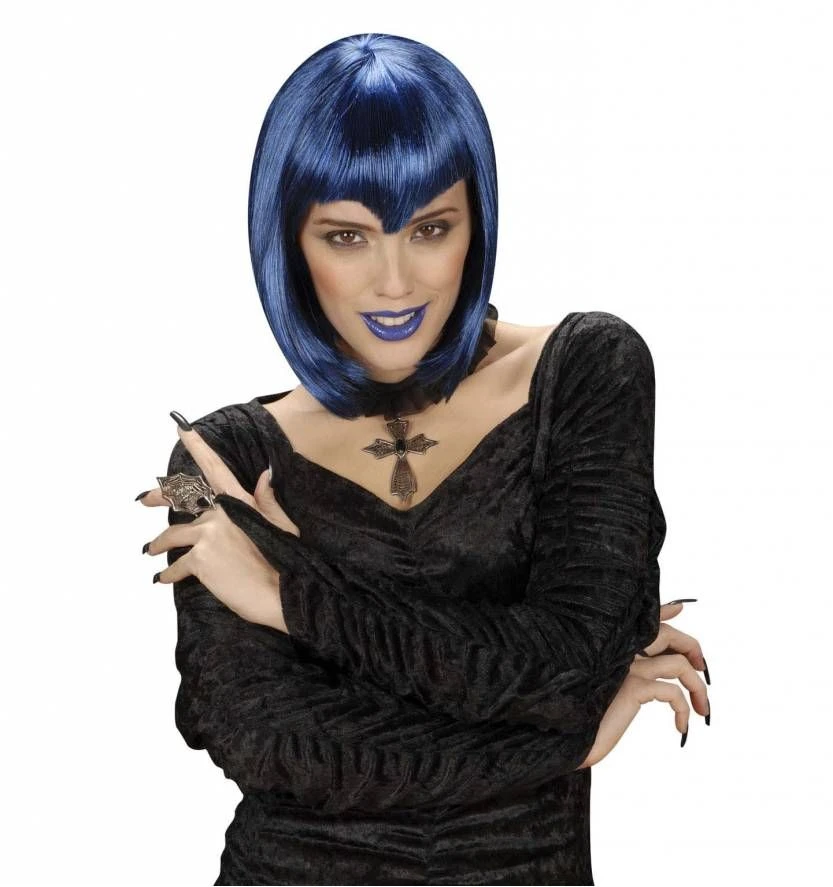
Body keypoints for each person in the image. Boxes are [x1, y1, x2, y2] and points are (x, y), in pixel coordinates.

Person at [136, 32, 710, 886]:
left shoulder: (588, 368)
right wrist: (566, 739)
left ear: (476, 223)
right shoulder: (209, 459)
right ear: (288, 239)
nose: (396, 283)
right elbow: (269, 742)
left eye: (430, 228)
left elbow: (566, 665)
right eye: (347, 236)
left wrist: (289, 593)